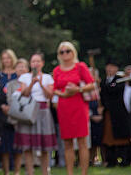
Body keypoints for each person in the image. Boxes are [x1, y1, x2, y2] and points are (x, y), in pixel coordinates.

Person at [52, 41, 95, 175]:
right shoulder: (57, 70)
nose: (65, 54)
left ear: (73, 52)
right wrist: (63, 94)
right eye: (62, 52)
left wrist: (78, 89)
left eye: (67, 51)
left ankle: (83, 172)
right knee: (67, 142)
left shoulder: (80, 66)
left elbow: (92, 84)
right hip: (64, 107)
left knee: (82, 141)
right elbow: (54, 89)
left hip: (79, 106)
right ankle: (70, 172)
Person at [15, 52, 56, 175]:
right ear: (30, 64)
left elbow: (50, 95)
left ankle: (45, 172)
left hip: (43, 111)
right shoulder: (24, 78)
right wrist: (32, 83)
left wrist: (41, 83)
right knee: (28, 146)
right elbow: (24, 94)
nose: (35, 64)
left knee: (45, 146)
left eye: (38, 61)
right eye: (33, 61)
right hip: (29, 111)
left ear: (42, 63)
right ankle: (30, 172)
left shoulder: (48, 78)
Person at [99, 60, 131, 167]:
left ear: (117, 69)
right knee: (108, 138)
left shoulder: (120, 80)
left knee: (122, 139)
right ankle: (110, 161)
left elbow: (113, 90)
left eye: (112, 67)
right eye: (108, 66)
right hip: (108, 112)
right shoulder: (103, 81)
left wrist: (106, 87)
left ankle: (125, 160)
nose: (110, 69)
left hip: (120, 114)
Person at [0, 49, 19, 175]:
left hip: (17, 112)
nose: (6, 61)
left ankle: (17, 170)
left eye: (8, 58)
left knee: (17, 142)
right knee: (4, 144)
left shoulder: (18, 75)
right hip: (2, 113)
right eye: (3, 58)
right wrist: (2, 106)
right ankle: (6, 170)